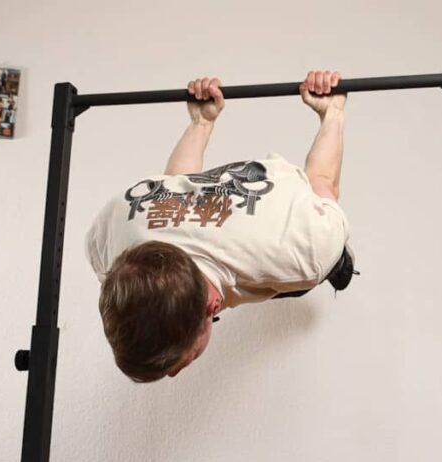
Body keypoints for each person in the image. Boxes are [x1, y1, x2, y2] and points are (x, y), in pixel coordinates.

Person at [85, 70, 354, 382]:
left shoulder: (300, 246)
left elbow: (322, 181)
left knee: (310, 274)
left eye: (179, 364)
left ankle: (339, 261)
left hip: (274, 206)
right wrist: (201, 122)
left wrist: (332, 112)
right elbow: (176, 188)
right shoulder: (111, 229)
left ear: (212, 306)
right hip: (231, 220)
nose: (172, 375)